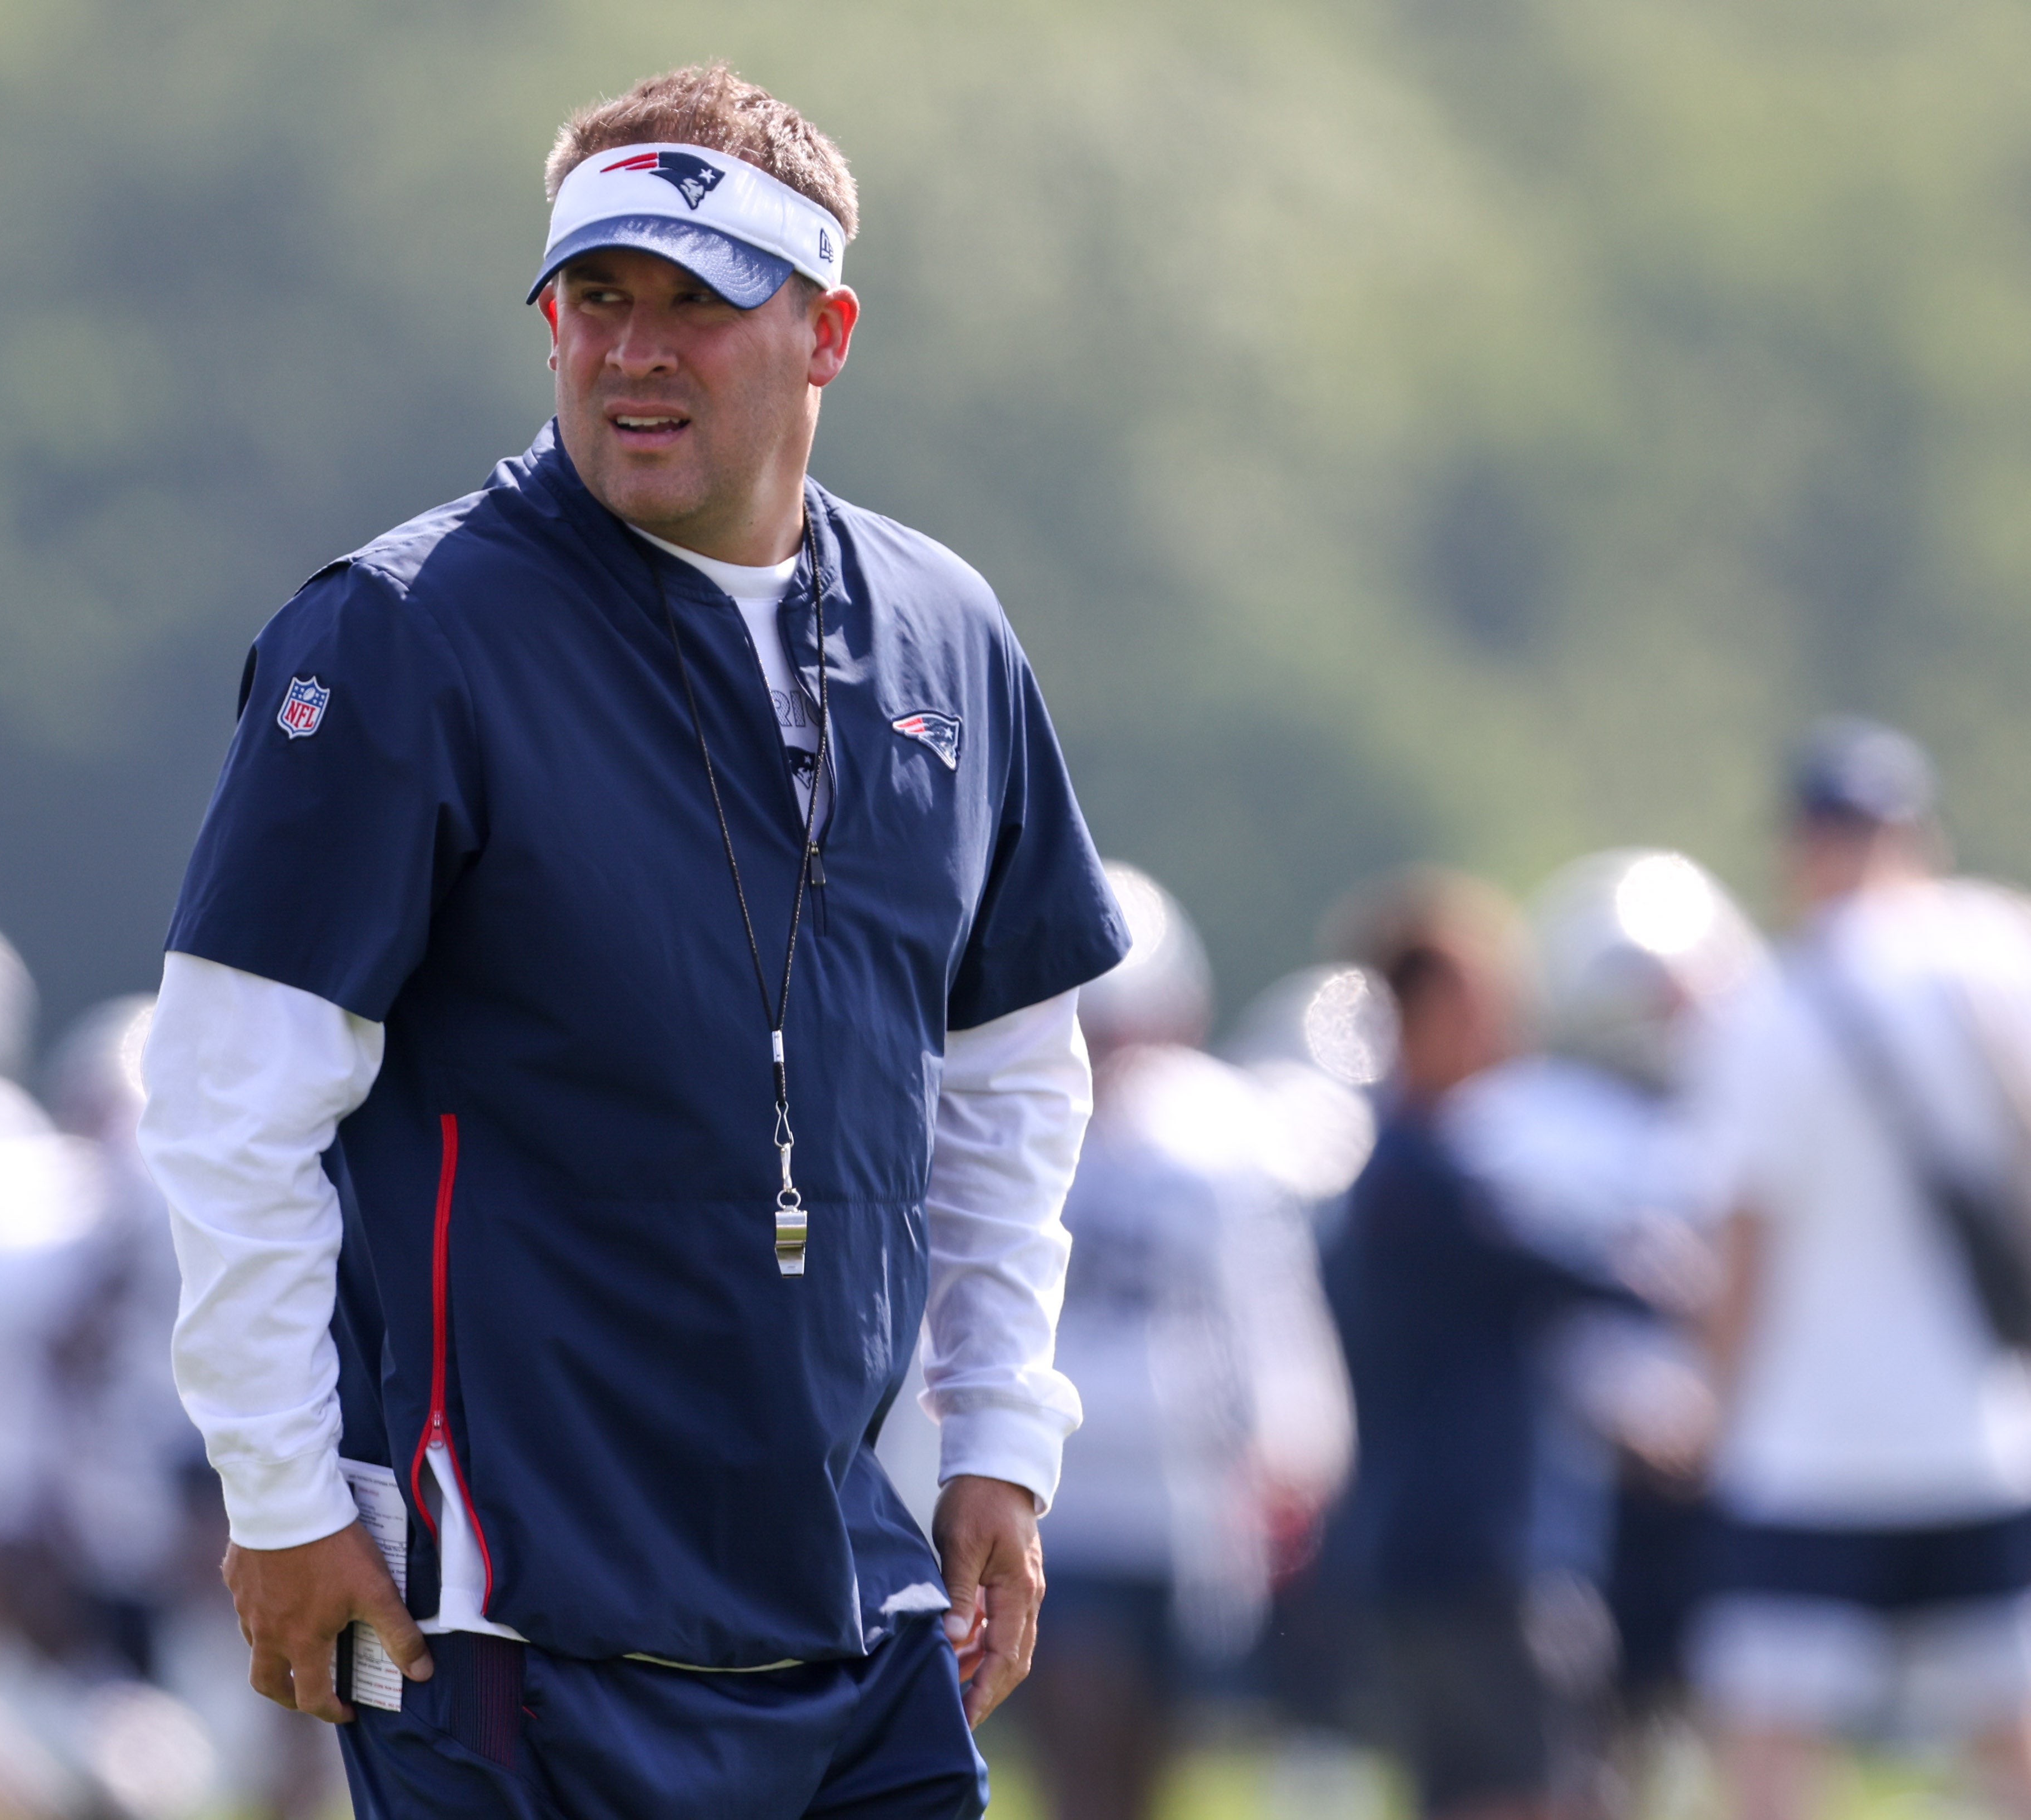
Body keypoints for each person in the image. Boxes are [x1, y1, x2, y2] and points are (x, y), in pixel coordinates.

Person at [139, 62, 1125, 1819]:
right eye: (597, 298)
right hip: (496, 1617)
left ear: (825, 332)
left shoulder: (950, 635)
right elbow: (232, 1101)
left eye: (698, 302)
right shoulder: (398, 634)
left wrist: (1004, 1439)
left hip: (856, 1590)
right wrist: (281, 1494)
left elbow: (1008, 1078)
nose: (635, 350)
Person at [1684, 718, 2031, 1820]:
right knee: (2011, 1736)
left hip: (1806, 1438)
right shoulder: (1999, 956)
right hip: (1981, 1426)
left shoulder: (1769, 1003)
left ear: (1803, 845)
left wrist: (1713, 1405)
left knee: (1771, 1754)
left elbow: (1745, 1238)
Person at [1318, 868, 1647, 1820]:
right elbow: (1583, 1271)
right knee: (1525, 1791)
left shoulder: (1395, 1178)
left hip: (1416, 1549)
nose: (1506, 1030)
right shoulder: (1428, 1189)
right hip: (1482, 1556)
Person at [1024, 864, 1350, 1820]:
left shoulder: (1215, 1142)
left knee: (1154, 1753)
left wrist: (1297, 1448)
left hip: (1181, 1501)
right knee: (1082, 1738)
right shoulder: (1010, 1136)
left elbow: (1264, 1309)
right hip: (1059, 1491)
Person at [1440, 850, 1759, 1815]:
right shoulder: (1517, 1124)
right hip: (1571, 1476)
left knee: (1715, 1720)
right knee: (1576, 1736)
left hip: (1714, 1469)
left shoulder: (1739, 1120)